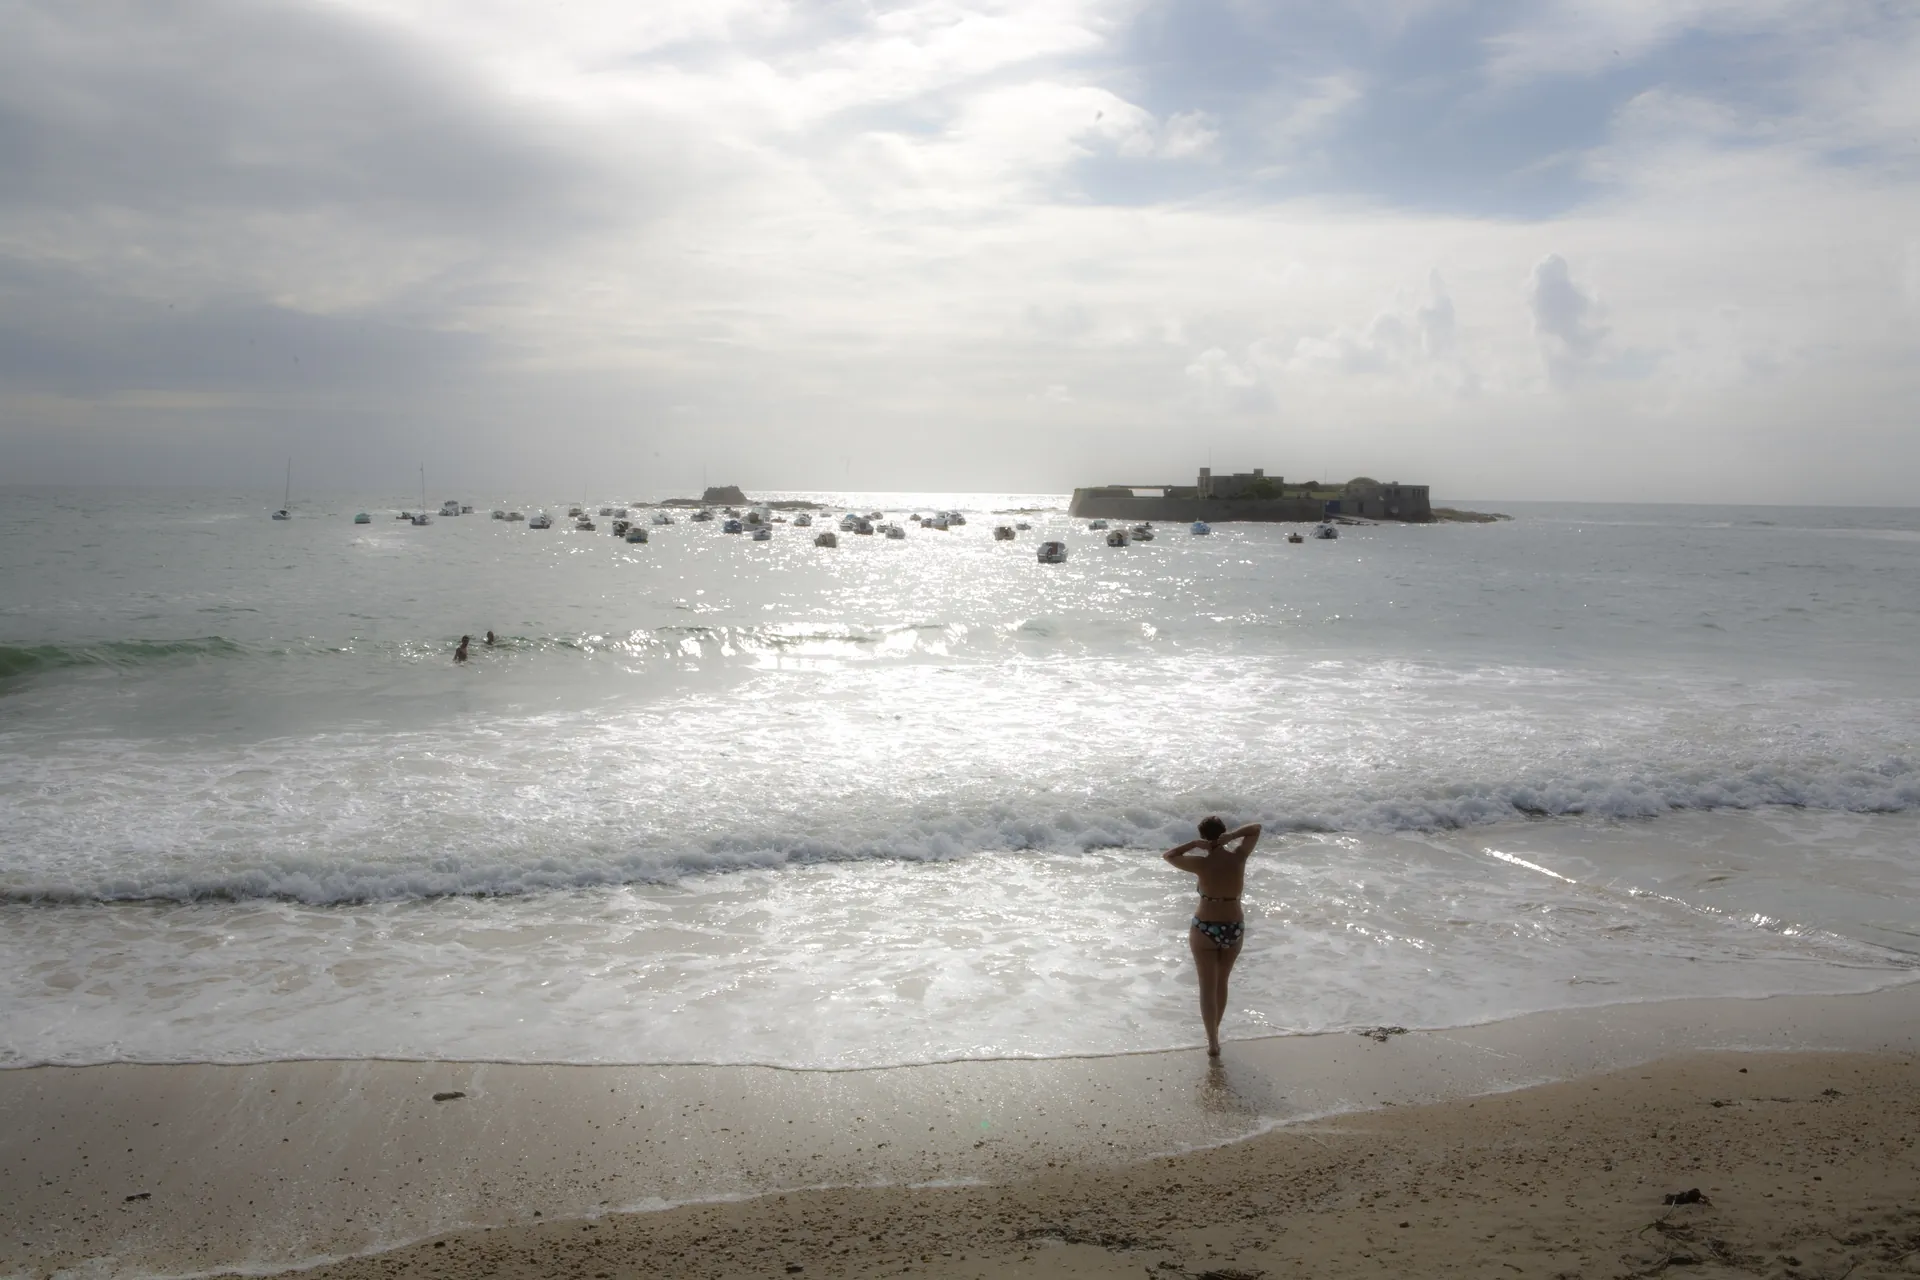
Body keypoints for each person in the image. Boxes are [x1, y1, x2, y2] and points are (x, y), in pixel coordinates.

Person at [1162, 815, 1262, 1056]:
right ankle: (1215, 1032)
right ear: (1224, 832)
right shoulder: (1239, 857)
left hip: (1205, 927)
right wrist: (1233, 837)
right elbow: (1255, 828)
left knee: (1207, 987)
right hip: (1233, 926)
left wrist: (1193, 845)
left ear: (1203, 836)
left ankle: (1212, 1042)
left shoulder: (1200, 864)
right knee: (1222, 983)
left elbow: (1169, 856)